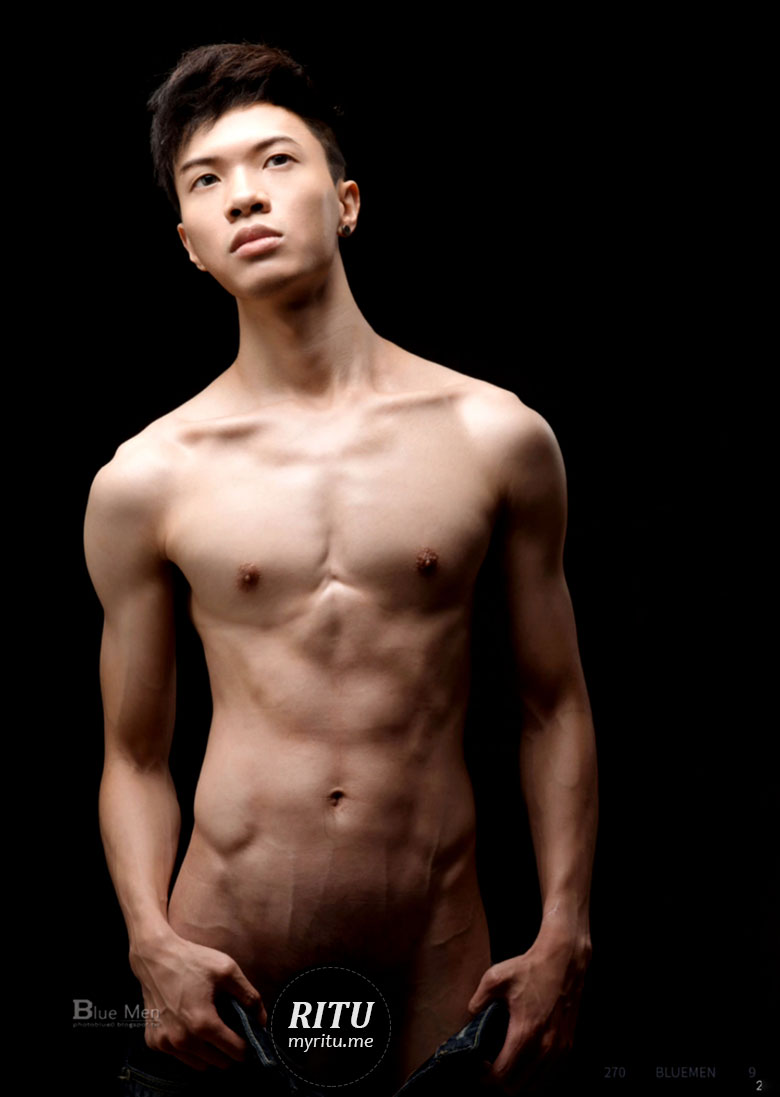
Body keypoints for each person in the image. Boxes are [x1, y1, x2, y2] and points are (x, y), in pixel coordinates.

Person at [84, 42, 598, 1096]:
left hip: (438, 946)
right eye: (206, 181)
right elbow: (133, 754)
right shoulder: (148, 477)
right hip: (229, 947)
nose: (243, 196)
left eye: (277, 161)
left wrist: (565, 928)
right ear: (189, 246)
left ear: (347, 202)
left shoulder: (494, 434)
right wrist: (149, 939)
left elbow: (555, 704)